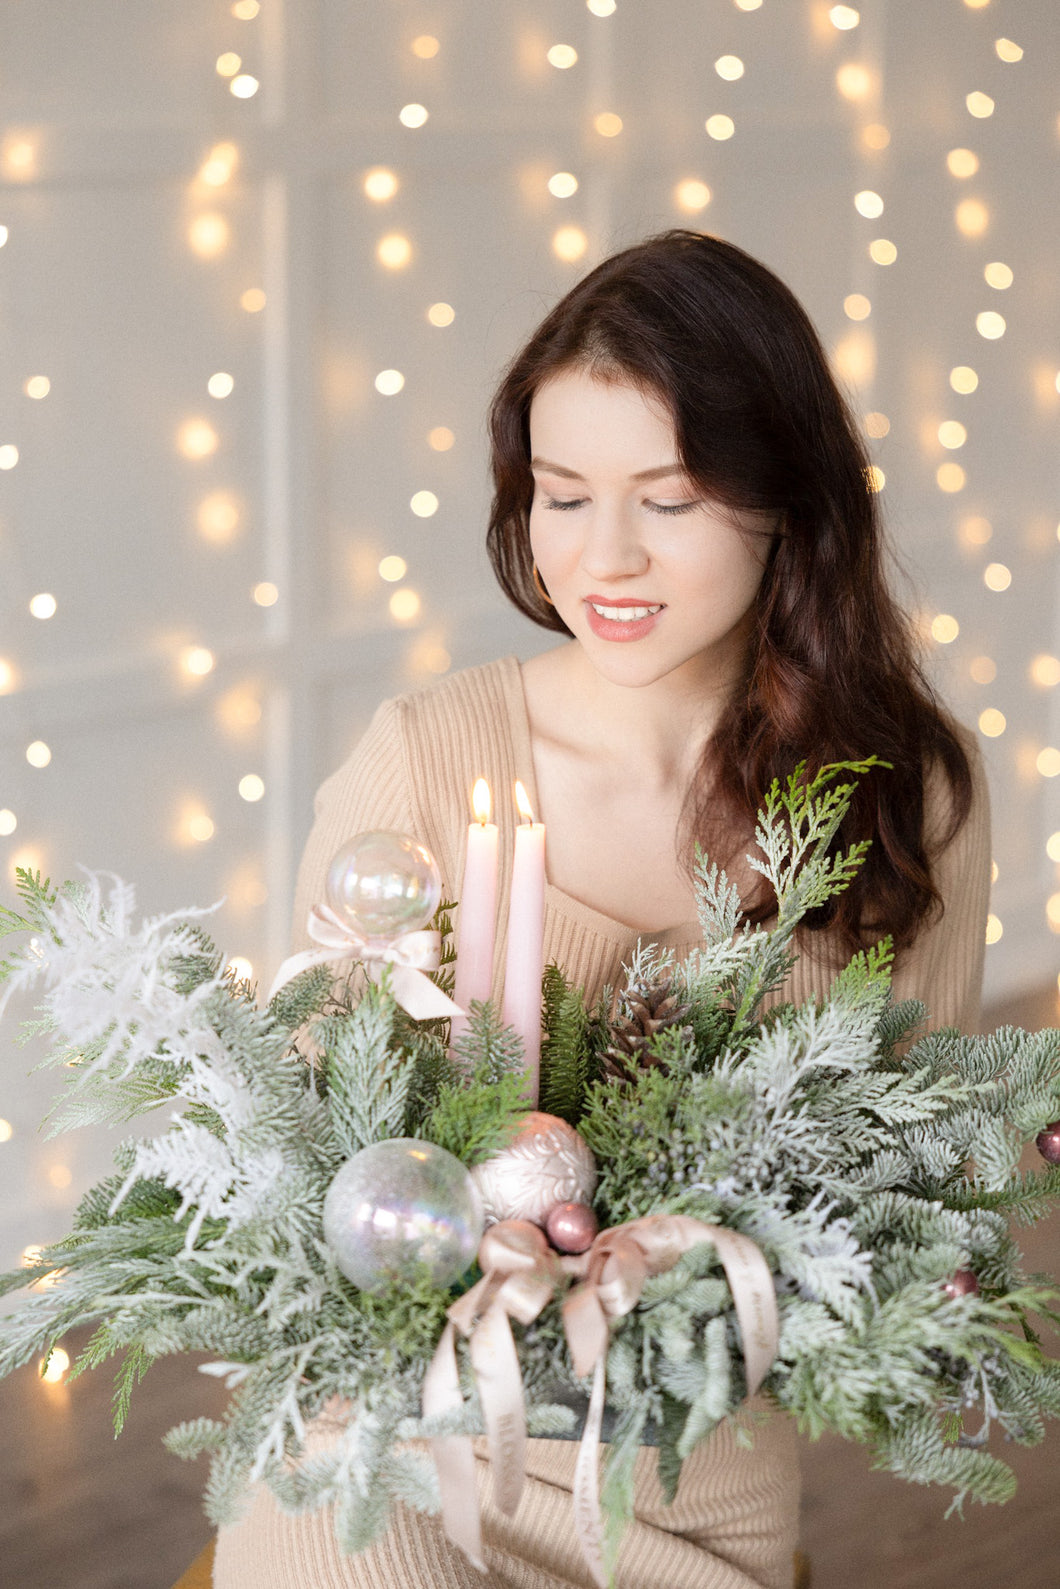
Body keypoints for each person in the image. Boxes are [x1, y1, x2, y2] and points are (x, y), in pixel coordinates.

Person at [214, 230, 990, 1589]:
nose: (605, 557)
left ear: (784, 502)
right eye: (563, 495)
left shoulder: (901, 796)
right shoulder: (429, 757)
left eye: (671, 499)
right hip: (398, 1426)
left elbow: (915, 1171)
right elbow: (311, 1135)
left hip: (690, 1460)